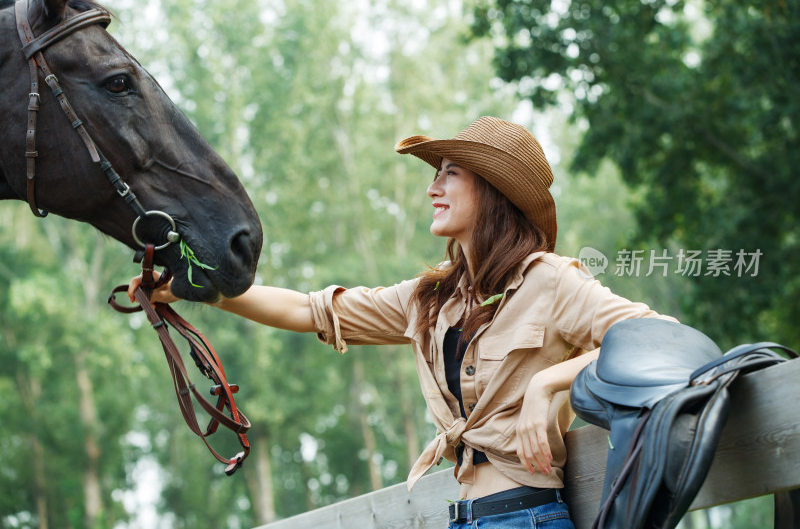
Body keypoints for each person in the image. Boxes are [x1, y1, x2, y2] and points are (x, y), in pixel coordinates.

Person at [129, 116, 676, 528]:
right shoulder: (431, 298)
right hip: (461, 517)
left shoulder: (550, 281)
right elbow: (310, 310)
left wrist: (549, 383)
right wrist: (195, 288)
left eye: (450, 174)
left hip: (528, 516)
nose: (432, 188)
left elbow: (653, 338)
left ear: (492, 191)